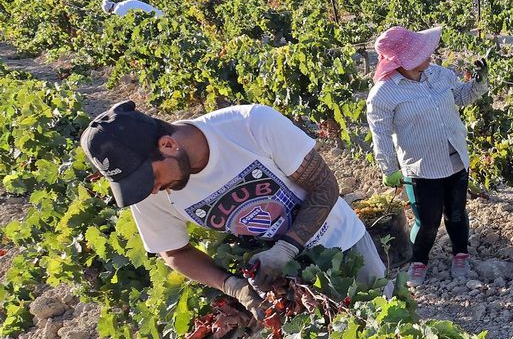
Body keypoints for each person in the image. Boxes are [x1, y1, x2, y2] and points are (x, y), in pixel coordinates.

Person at [79, 100, 381, 319]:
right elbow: (173, 252)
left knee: (379, 323)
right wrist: (232, 286)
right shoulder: (148, 191)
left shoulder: (252, 126)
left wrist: (286, 249)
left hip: (343, 243)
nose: (153, 189)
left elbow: (325, 187)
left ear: (168, 144)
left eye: (152, 178)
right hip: (284, 282)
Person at [367, 25, 490, 283]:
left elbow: (463, 97)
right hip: (422, 168)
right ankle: (419, 261)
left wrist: (479, 82)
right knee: (427, 221)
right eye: (422, 52)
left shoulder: (439, 75)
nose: (430, 54)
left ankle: (461, 254)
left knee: (456, 213)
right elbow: (380, 134)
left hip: (455, 158)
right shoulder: (384, 93)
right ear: (404, 59)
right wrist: (389, 170)